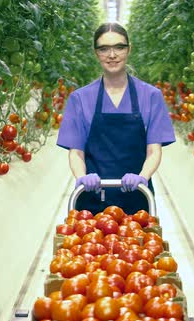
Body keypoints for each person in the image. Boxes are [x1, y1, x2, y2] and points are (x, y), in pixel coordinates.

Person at [56, 22, 176, 215]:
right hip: (91, 199)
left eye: (119, 47)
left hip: (137, 197)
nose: (112, 55)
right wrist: (82, 177)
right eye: (104, 49)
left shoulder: (151, 95)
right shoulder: (80, 98)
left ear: (129, 49)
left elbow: (154, 150)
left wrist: (142, 177)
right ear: (96, 53)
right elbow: (75, 152)